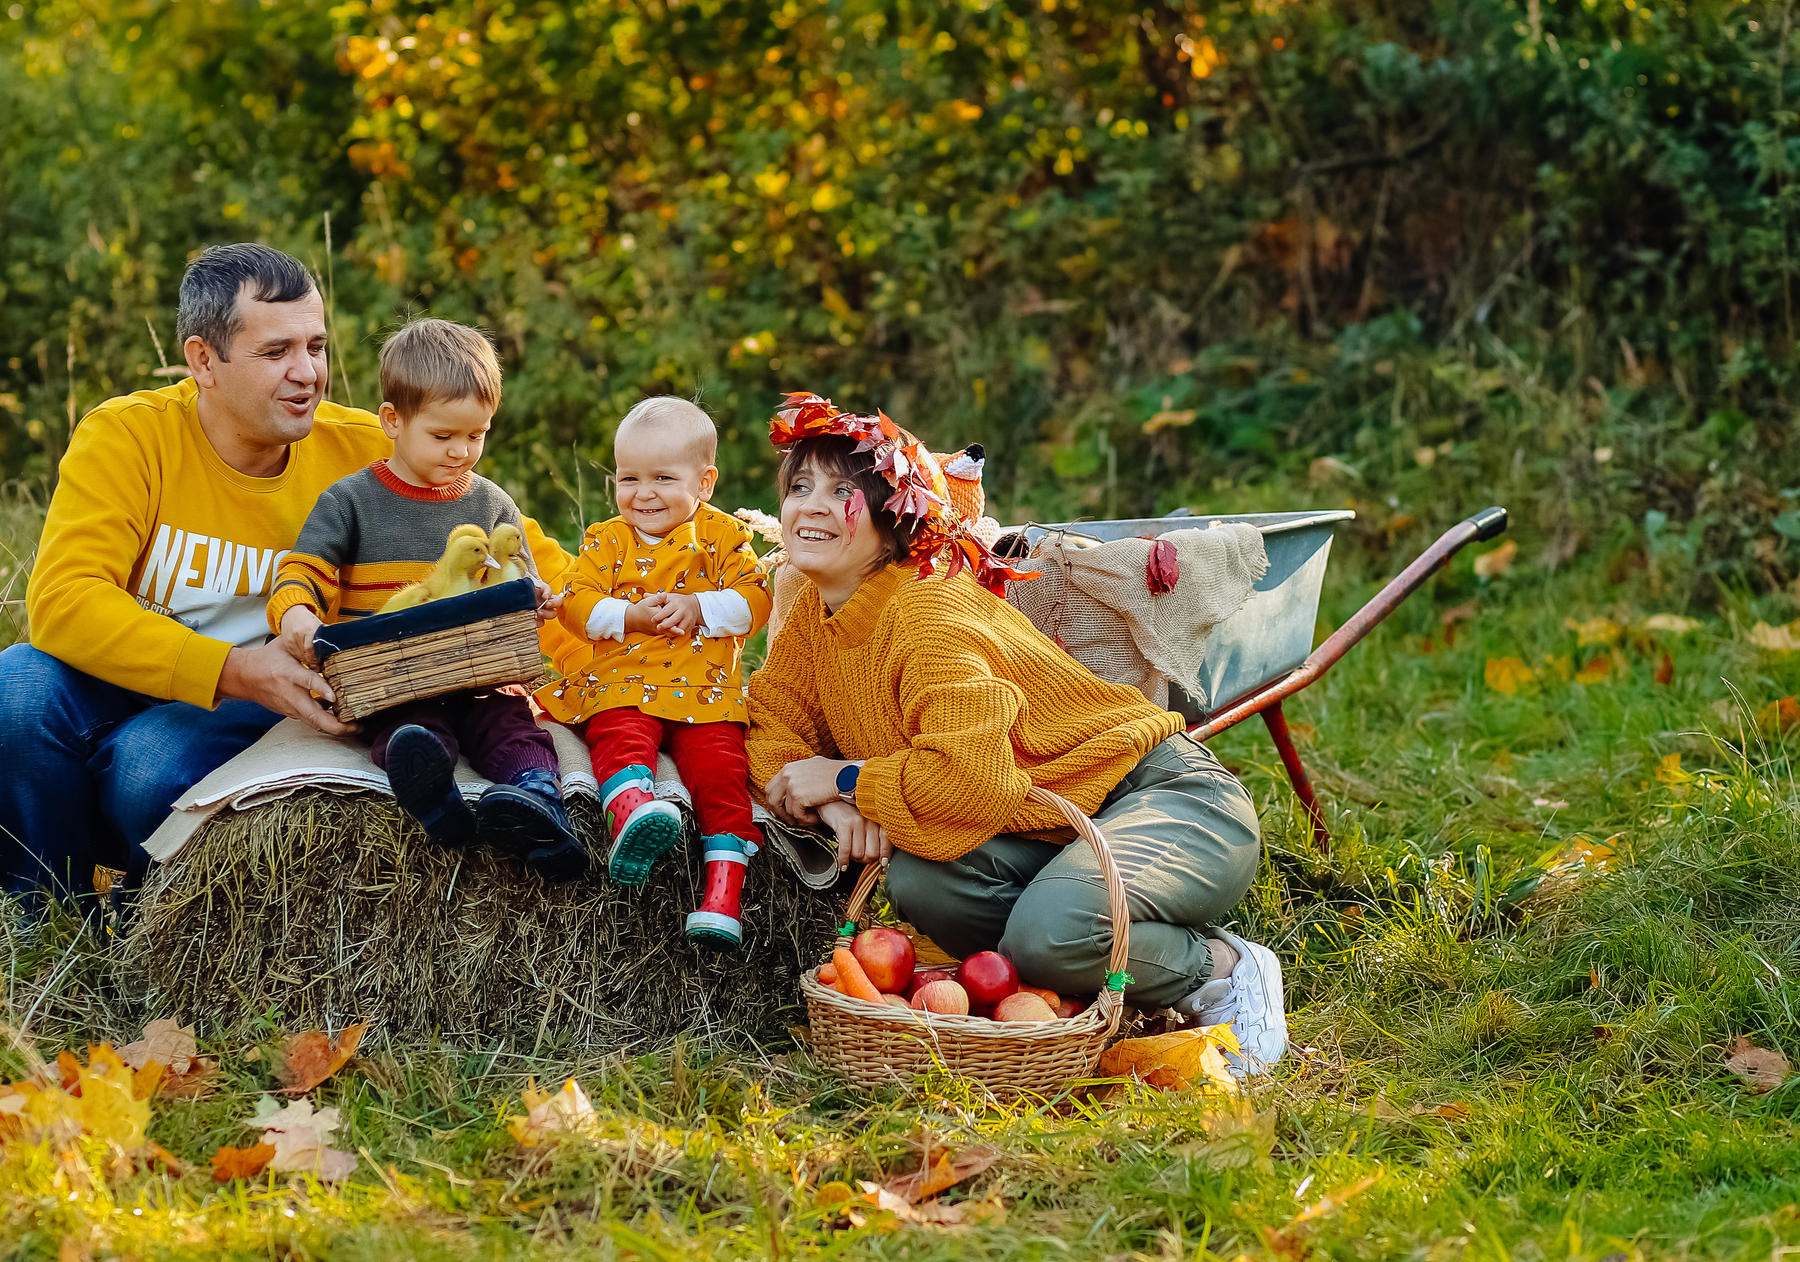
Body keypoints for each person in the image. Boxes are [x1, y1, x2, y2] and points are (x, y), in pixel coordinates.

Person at [745, 393, 1288, 1073]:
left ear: (893, 521)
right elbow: (768, 727)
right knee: (921, 882)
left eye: (842, 490)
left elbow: (976, 778)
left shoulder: (926, 611)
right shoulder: (816, 619)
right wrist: (833, 801)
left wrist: (848, 775)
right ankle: (1094, 944)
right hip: (1055, 827)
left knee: (1047, 939)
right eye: (800, 486)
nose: (811, 505)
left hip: (1168, 798)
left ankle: (1224, 966)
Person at [0, 244, 385, 911]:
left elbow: (492, 527)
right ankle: (47, 917)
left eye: (316, 345)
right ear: (202, 361)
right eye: (276, 352)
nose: (308, 372)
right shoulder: (128, 437)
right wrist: (239, 668)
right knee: (15, 689)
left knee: (144, 766)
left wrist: (588, 586)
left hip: (254, 711)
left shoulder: (363, 449)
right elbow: (63, 601)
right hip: (136, 679)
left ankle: (156, 900)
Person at [269, 319, 588, 880]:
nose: (462, 451)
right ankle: (436, 797)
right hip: (393, 678)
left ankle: (538, 805)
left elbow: (519, 578)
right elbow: (303, 570)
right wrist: (297, 618)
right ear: (393, 421)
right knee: (409, 731)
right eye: (443, 437)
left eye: (477, 435)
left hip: (481, 669)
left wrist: (534, 598)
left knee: (513, 726)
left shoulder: (491, 501)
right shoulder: (352, 500)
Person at [535, 397, 772, 944]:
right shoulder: (607, 539)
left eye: (663, 478)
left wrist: (700, 608)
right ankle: (630, 810)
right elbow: (575, 606)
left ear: (705, 482)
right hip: (624, 679)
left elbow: (755, 602)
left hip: (703, 689)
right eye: (628, 478)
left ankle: (723, 890)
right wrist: (628, 616)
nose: (642, 494)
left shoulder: (722, 538)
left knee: (722, 773)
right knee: (617, 732)